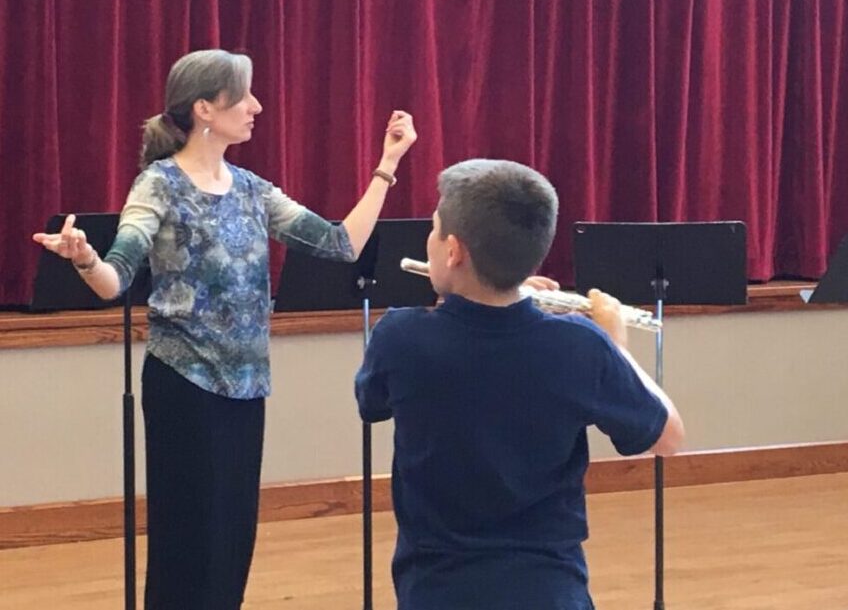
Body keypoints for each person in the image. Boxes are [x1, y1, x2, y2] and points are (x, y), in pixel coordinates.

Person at [31, 49, 417, 609]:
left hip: (246, 386)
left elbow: (341, 244)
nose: (258, 106)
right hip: (183, 384)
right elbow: (115, 280)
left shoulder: (253, 189)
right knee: (187, 541)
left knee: (233, 538)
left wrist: (387, 165)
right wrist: (86, 257)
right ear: (205, 108)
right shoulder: (158, 185)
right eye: (245, 96)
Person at [355, 158, 685, 609]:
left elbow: (370, 402)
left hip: (436, 590)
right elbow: (669, 436)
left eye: (434, 232)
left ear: (453, 251)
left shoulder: (400, 337)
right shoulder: (580, 346)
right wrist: (617, 347)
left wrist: (472, 296)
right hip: (549, 590)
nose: (428, 243)